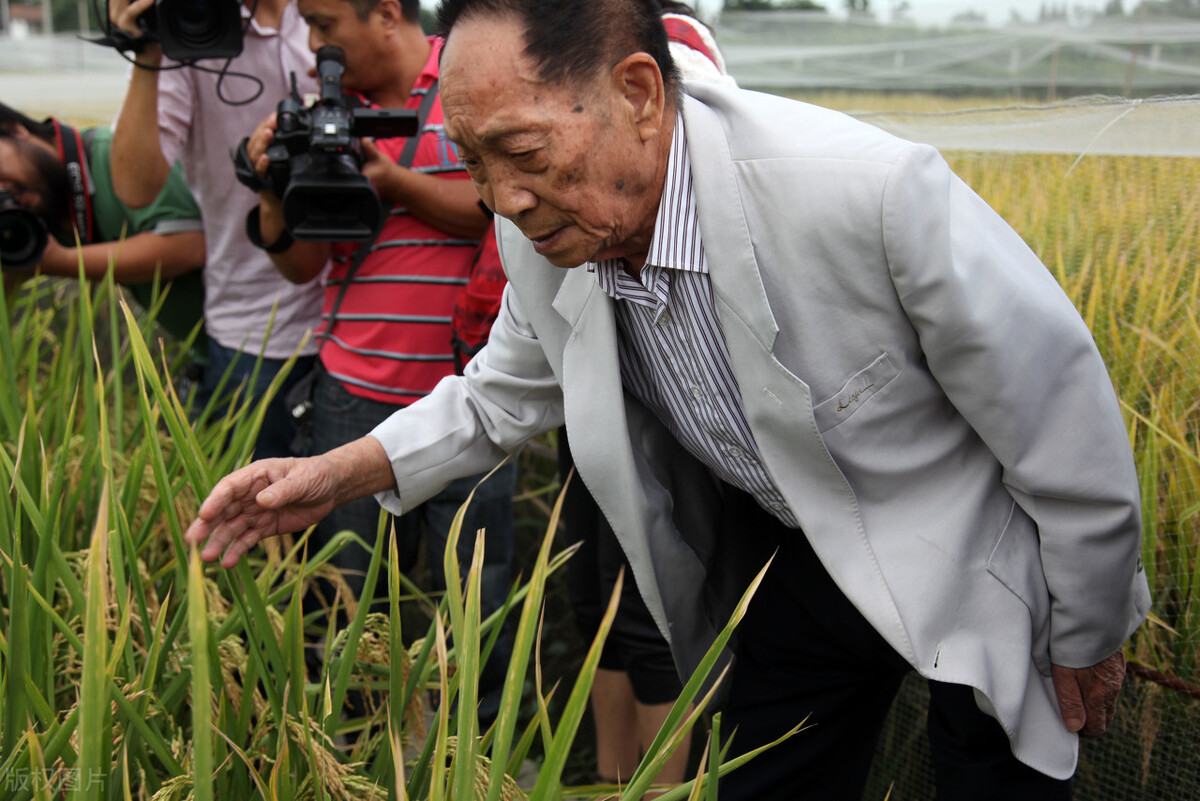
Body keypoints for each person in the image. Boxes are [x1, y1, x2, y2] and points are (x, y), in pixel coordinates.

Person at [184, 1, 1151, 798]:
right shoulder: (550, 232)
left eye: (521, 151)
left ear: (639, 94)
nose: (502, 200)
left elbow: (1060, 422)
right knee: (766, 777)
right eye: (474, 162)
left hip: (970, 551)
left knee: (997, 774)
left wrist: (1090, 629)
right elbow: (498, 396)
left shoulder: (865, 193)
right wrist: (329, 476)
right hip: (798, 552)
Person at [238, 0, 516, 724]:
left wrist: (391, 182)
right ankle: (357, 748)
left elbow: (498, 206)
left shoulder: (471, 78)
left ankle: (470, 757)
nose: (313, 44)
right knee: (353, 605)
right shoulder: (324, 114)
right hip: (351, 395)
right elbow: (301, 265)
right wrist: (274, 182)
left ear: (387, 13)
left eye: (326, 23)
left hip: (476, 397)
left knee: (475, 605)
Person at [557, 3, 731, 787]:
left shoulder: (678, 41)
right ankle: (608, 776)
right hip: (590, 393)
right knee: (595, 596)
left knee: (653, 606)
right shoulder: (578, 39)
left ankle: (663, 786)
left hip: (674, 421)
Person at [106, 0, 325, 458]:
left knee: (370, 521)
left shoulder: (332, 13)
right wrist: (148, 47)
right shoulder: (187, 30)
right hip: (257, 331)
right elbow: (135, 186)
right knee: (260, 520)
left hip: (367, 320)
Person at [0, 102, 205, 358]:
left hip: (254, 343)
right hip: (214, 351)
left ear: (16, 130)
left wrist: (57, 261)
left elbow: (188, 246)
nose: (3, 190)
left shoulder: (114, 154)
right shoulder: (37, 208)